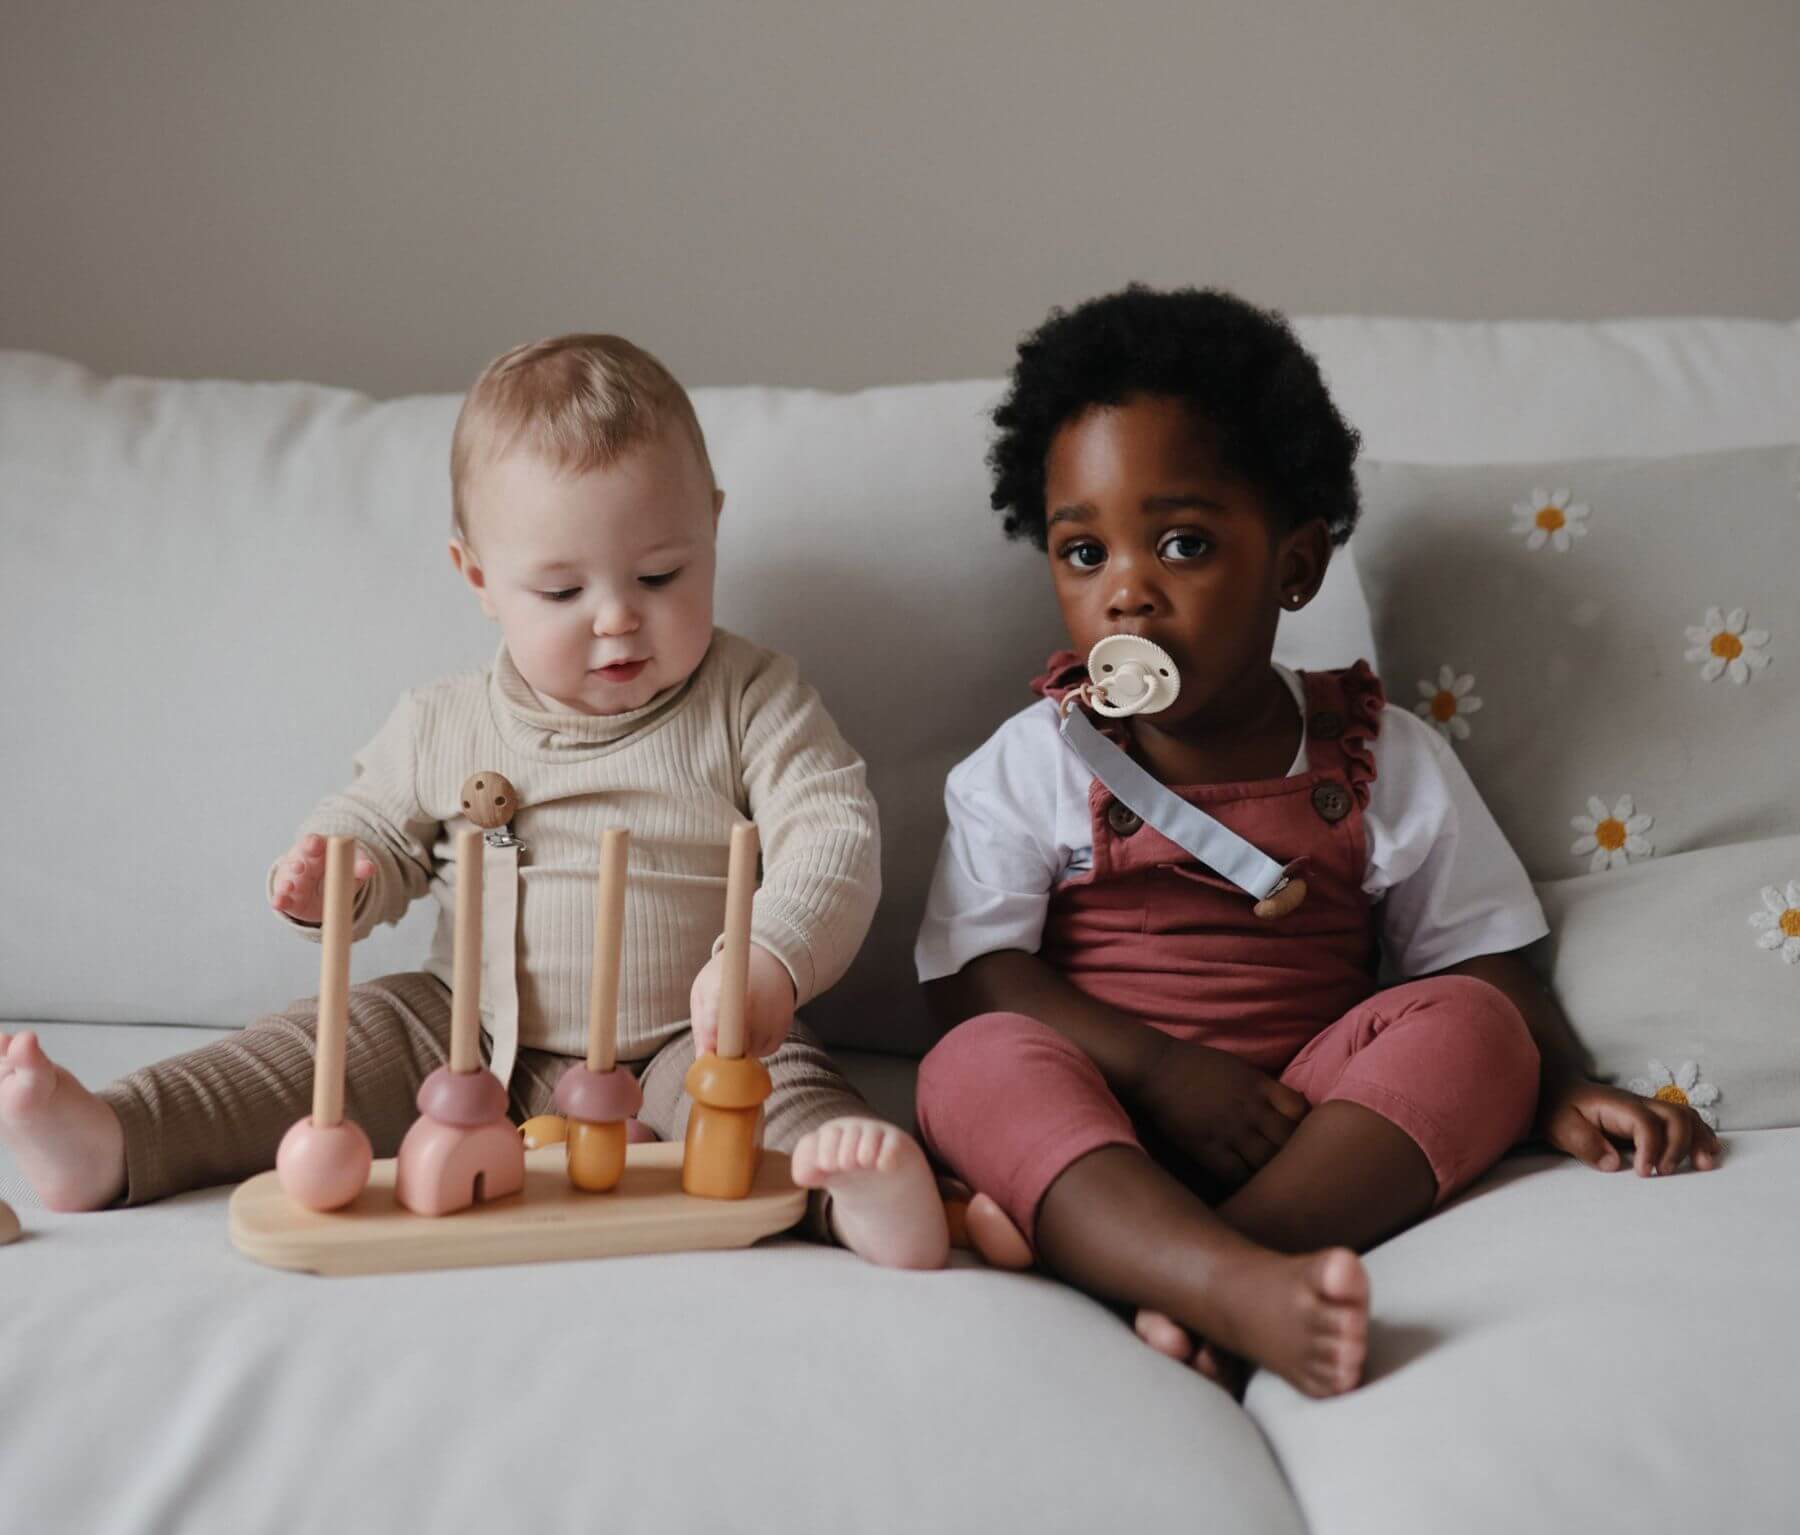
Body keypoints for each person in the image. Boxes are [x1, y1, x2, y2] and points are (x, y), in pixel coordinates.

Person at [913, 286, 1719, 1396]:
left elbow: (1476, 957)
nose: (1127, 596)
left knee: (1482, 1028)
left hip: (1308, 1124)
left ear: (1295, 566)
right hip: (1111, 1114)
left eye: (1183, 544)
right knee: (973, 1063)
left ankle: (1204, 1273)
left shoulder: (1381, 757)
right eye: (1083, 553)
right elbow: (973, 979)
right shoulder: (1036, 761)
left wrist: (1566, 1082)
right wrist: (1160, 1069)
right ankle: (1218, 1280)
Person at [1, 333, 949, 1269]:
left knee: (767, 1093)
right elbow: (374, 826)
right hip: (462, 1023)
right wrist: (340, 870)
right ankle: (118, 1137)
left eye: (661, 575)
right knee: (315, 1043)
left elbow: (832, 832)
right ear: (479, 579)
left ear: (713, 524)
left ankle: (853, 1199)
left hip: (678, 1036)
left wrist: (769, 962)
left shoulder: (752, 699)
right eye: (562, 588)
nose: (618, 615)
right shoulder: (441, 721)